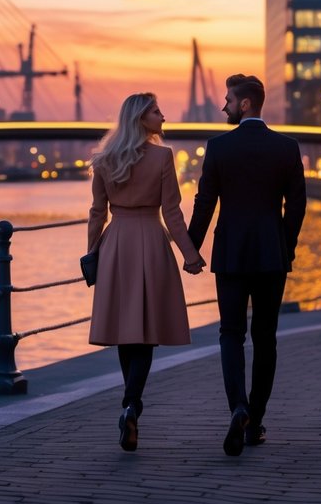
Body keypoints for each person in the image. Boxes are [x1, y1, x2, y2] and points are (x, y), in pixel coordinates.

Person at [187, 74, 306, 457]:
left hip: (232, 256)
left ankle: (237, 405)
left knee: (230, 334)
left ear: (245, 105)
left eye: (228, 100)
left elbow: (205, 203)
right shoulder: (287, 148)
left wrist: (192, 249)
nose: (223, 106)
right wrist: (284, 246)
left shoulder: (219, 147)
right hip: (272, 256)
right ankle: (255, 421)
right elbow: (297, 206)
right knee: (266, 337)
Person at [87, 92, 206, 452]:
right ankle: (132, 405)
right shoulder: (163, 157)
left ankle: (129, 405)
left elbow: (97, 213)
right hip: (151, 242)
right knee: (147, 332)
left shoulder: (104, 159)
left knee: (126, 331)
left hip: (116, 246)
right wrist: (190, 254)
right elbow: (172, 212)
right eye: (156, 111)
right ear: (141, 118)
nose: (163, 116)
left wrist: (92, 254)